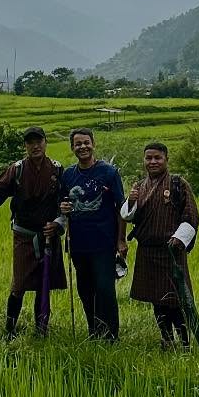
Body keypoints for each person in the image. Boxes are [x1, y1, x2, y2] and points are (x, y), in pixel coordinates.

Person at [0, 127, 66, 336]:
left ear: (45, 143)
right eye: (30, 142)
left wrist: (58, 224)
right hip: (24, 236)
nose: (35, 146)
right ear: (25, 146)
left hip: (48, 236)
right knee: (19, 285)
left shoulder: (57, 170)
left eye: (38, 141)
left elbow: (64, 202)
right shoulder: (18, 169)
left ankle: (41, 330)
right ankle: (10, 329)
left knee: (44, 284)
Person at [124, 140, 199, 346]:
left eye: (157, 158)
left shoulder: (178, 184)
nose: (153, 162)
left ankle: (185, 342)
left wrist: (179, 239)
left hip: (171, 251)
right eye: (149, 158)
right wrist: (131, 201)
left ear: (166, 159)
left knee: (175, 301)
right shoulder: (139, 187)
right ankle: (166, 339)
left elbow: (191, 215)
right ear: (144, 160)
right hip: (147, 252)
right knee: (156, 300)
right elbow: (128, 216)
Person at [58, 128, 126, 339]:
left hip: (104, 242)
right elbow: (63, 203)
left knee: (105, 289)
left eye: (86, 142)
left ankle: (111, 335)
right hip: (78, 243)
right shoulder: (68, 174)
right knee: (85, 290)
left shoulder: (108, 172)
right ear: (72, 148)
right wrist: (64, 209)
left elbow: (121, 208)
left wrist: (121, 240)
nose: (82, 147)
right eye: (78, 144)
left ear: (93, 144)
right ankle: (93, 330)